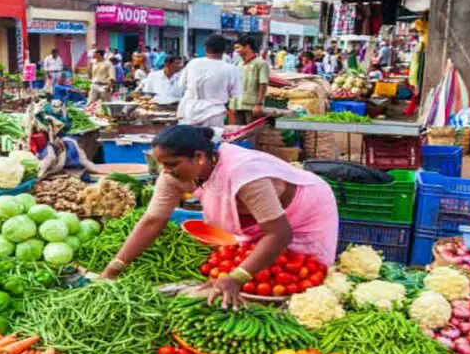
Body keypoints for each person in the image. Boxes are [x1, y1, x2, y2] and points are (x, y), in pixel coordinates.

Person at [99, 125, 339, 309]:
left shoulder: (244, 172)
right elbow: (152, 221)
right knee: (264, 270)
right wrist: (113, 269)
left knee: (303, 276)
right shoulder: (174, 175)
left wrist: (237, 276)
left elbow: (279, 233)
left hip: (305, 210)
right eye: (161, 164)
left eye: (171, 164)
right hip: (261, 220)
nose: (165, 171)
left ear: (200, 157)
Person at [177, 35, 241, 128]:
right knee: (211, 141)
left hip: (189, 111)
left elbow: (181, 85)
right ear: (224, 50)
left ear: (205, 48)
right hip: (214, 114)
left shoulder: (192, 63)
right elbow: (235, 93)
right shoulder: (231, 69)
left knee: (187, 141)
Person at [230, 36, 269, 125]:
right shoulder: (237, 63)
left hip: (252, 105)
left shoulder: (260, 63)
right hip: (237, 104)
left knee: (251, 132)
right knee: (239, 132)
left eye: (238, 47)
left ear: (247, 47)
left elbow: (263, 84)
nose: (236, 51)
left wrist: (258, 104)